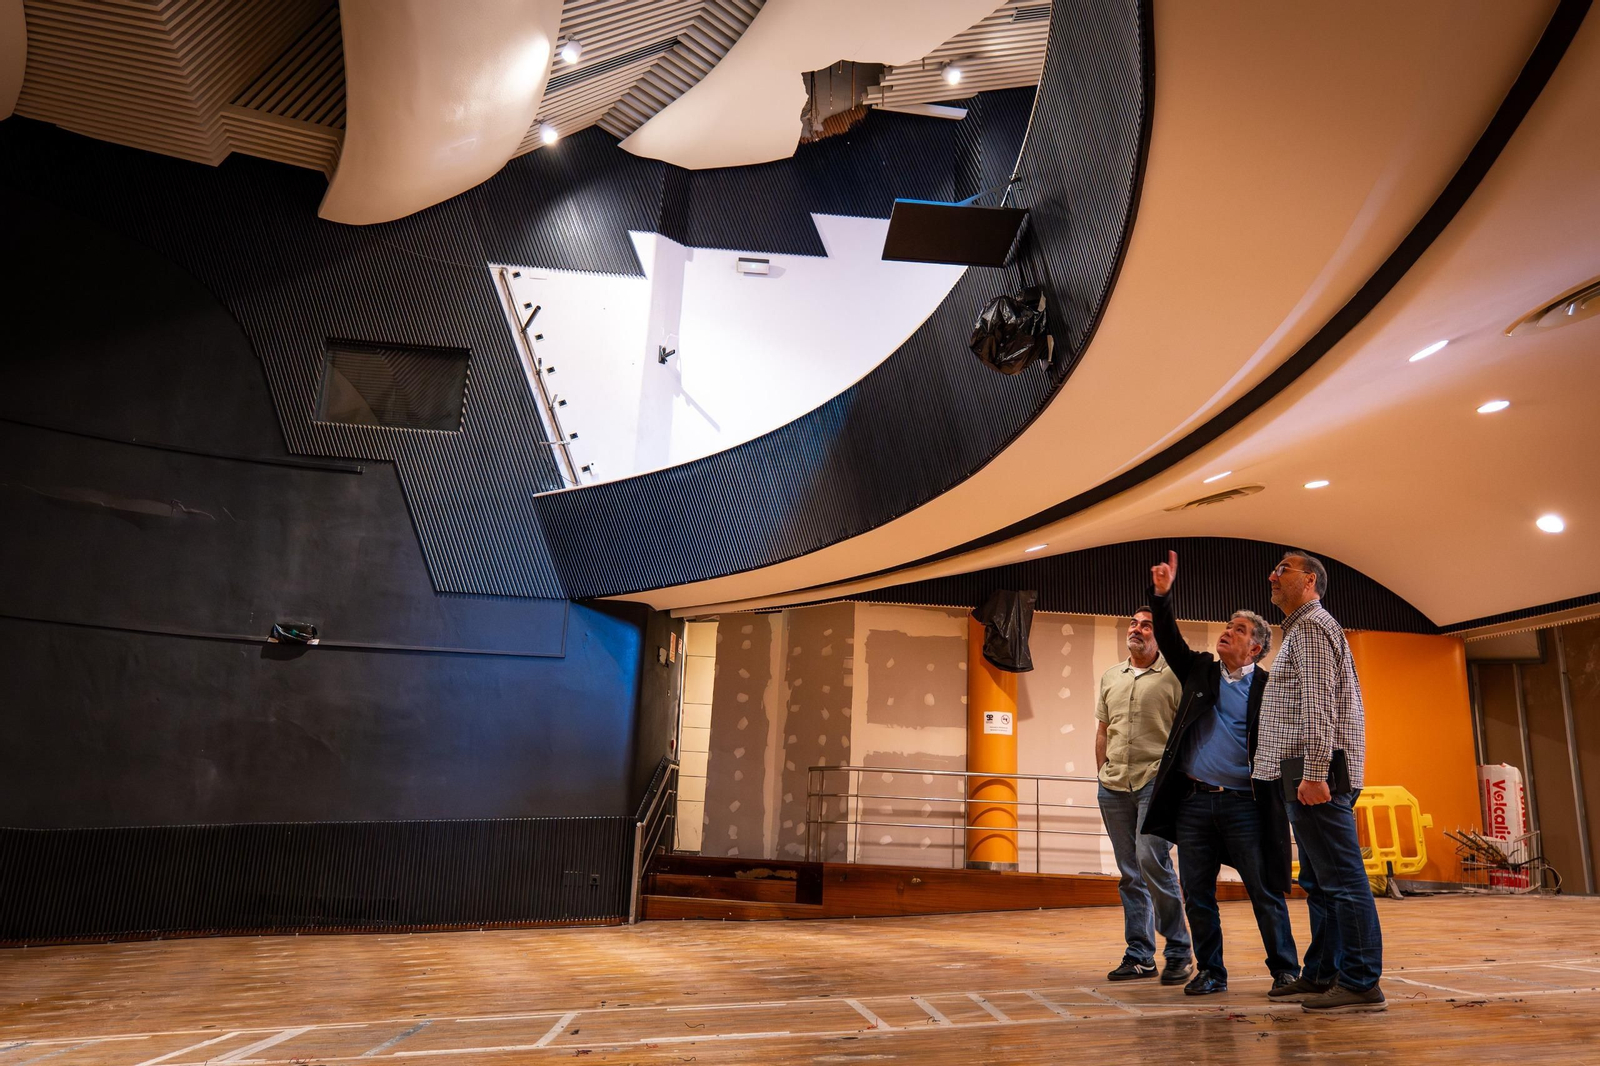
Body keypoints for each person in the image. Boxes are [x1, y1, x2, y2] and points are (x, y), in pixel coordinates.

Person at [1139, 551, 1299, 997]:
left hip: (1245, 806)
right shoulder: (1200, 671)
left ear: (1257, 648)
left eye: (1240, 630)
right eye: (1228, 626)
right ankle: (1211, 971)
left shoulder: (1269, 687)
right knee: (1198, 894)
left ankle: (1286, 970)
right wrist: (1162, 597)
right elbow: (1168, 637)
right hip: (1193, 803)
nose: (1228, 632)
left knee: (1264, 891)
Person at [1256, 550, 1386, 1014]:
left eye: (1283, 569)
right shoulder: (1303, 628)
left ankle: (1360, 980)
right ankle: (1323, 974)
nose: (1272, 575)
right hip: (1310, 769)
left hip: (1318, 771)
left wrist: (1313, 773)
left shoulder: (1311, 627)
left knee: (1343, 881)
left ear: (1310, 581)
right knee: (1320, 880)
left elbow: (1319, 706)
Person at [1096, 607, 1192, 984]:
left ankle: (1179, 949)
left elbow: (1188, 731)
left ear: (1160, 634)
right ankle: (1140, 955)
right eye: (1134, 624)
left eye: (1146, 625)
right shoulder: (1110, 676)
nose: (1137, 630)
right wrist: (1101, 772)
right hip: (1114, 784)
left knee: (1151, 859)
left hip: (1156, 781)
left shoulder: (1175, 675)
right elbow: (1103, 730)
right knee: (1129, 873)